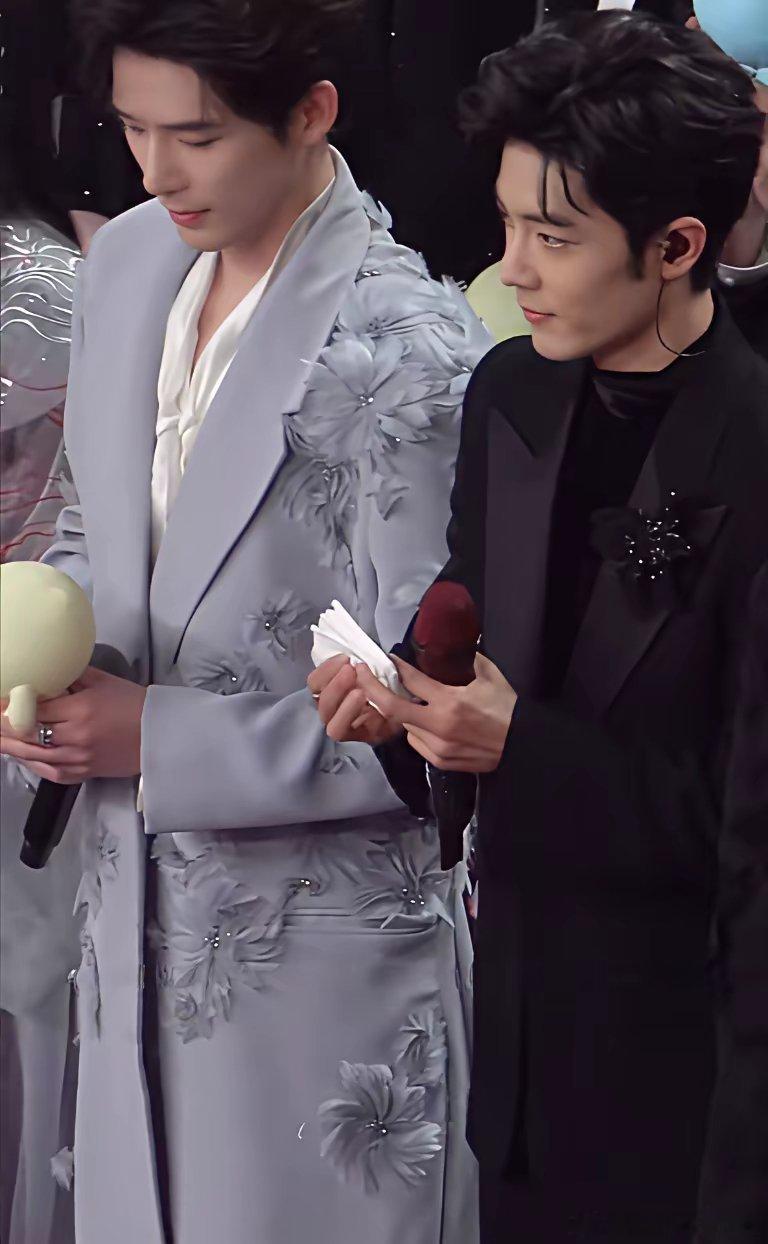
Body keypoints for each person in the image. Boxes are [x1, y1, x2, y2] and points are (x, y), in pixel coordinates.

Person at [0, 1, 491, 1241]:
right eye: (133, 128)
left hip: (318, 972)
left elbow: (432, 726)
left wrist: (158, 736)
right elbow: (92, 518)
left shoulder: (407, 349)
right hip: (123, 920)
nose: (153, 173)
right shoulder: (129, 264)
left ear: (313, 113)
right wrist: (50, 666)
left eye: (198, 136)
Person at [310, 12, 768, 1243]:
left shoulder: (756, 451)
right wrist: (404, 717)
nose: (511, 268)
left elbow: (741, 836)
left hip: (703, 1098)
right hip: (519, 1068)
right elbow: (475, 690)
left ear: (677, 244)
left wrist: (524, 747)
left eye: (552, 237)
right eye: (508, 223)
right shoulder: (509, 396)